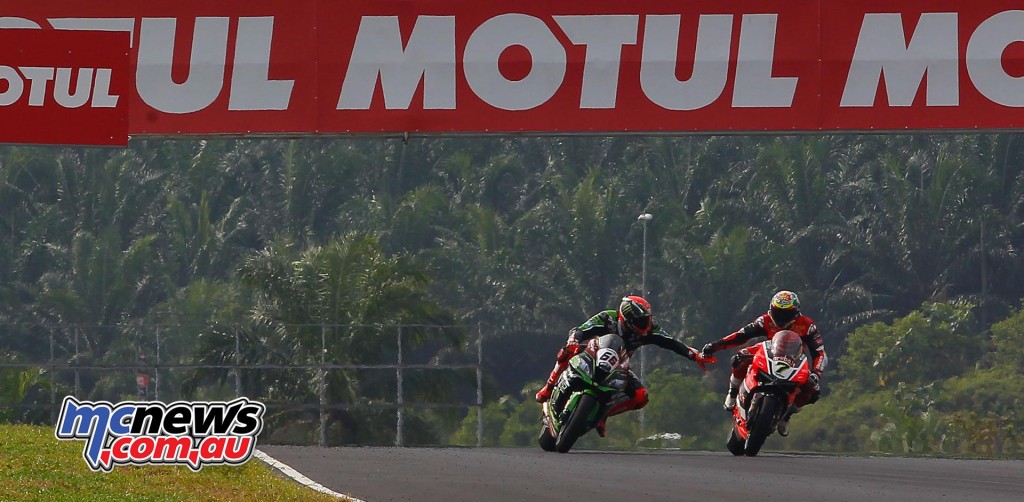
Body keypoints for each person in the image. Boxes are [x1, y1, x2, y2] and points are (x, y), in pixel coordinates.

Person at [534, 295, 716, 437]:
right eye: (641, 321)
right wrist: (573, 341)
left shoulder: (651, 329)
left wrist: (695, 356)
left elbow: (672, 343)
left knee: (641, 396)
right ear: (626, 319)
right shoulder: (607, 318)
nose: (646, 325)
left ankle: (603, 414)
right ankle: (549, 387)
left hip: (619, 365)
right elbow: (580, 330)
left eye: (647, 319)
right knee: (566, 352)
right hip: (591, 353)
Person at [700, 290, 827, 437]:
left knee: (813, 390)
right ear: (771, 309)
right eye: (777, 312)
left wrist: (816, 373)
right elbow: (740, 335)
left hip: (795, 360)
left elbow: (819, 353)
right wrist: (715, 346)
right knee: (739, 358)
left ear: (796, 313)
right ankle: (733, 392)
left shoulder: (808, 326)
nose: (781, 318)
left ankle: (787, 416)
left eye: (786, 314)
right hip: (767, 351)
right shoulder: (765, 320)